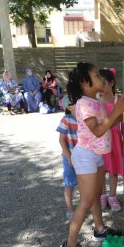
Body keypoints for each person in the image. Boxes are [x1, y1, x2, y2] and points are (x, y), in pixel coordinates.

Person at [59, 62, 124, 247]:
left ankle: (100, 229)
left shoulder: (95, 101)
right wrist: (116, 111)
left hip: (96, 154)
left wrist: (121, 113)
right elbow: (97, 130)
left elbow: (106, 125)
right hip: (86, 156)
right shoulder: (83, 104)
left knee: (97, 195)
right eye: (96, 75)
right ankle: (70, 245)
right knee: (86, 202)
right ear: (85, 82)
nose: (101, 78)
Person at [99, 68, 123, 212]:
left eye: (103, 83)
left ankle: (112, 196)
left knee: (113, 169)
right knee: (101, 169)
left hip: (114, 138)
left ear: (111, 83)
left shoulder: (117, 101)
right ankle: (102, 195)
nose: (100, 87)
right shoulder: (96, 102)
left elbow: (122, 118)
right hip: (101, 139)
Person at [56, 95, 78, 223]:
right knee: (69, 184)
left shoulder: (84, 119)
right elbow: (61, 140)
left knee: (83, 184)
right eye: (77, 102)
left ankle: (83, 207)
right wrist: (69, 157)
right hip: (68, 157)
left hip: (82, 158)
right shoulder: (66, 120)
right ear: (69, 107)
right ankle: (70, 209)